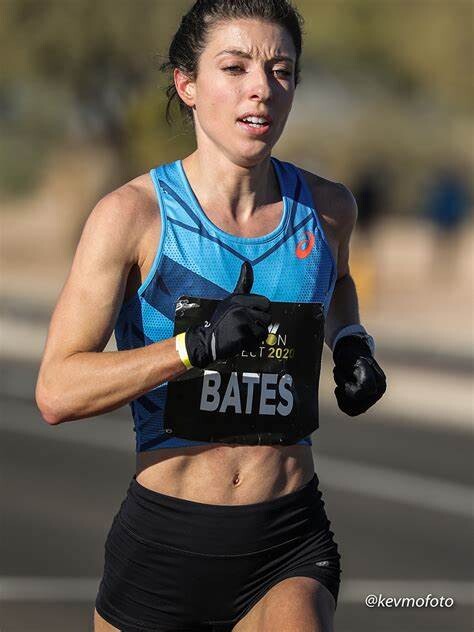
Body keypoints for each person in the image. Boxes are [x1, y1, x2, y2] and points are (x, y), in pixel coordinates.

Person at [35, 1, 386, 630]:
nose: (262, 88)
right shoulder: (132, 217)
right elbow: (58, 391)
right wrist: (191, 348)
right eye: (235, 67)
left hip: (288, 537)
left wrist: (352, 340)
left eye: (281, 70)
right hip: (165, 547)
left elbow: (337, 281)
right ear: (187, 84)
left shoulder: (328, 210)